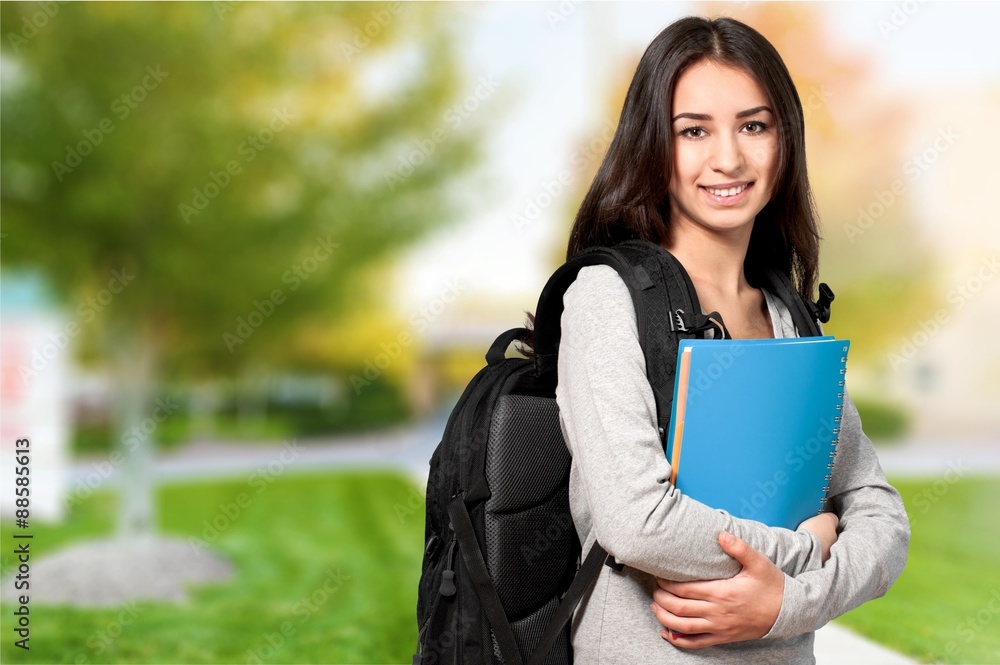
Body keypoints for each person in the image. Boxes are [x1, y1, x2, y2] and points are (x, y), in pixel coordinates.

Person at [553, 16, 910, 663]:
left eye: (754, 125)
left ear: (784, 141)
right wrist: (811, 548)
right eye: (694, 130)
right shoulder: (606, 299)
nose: (729, 157)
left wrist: (788, 604)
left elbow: (882, 515)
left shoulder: (787, 315)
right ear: (654, 146)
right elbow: (639, 522)